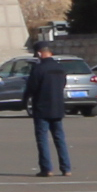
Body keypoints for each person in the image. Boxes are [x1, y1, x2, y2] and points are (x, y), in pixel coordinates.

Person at [25, 41, 76, 177]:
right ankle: (66, 168)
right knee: (60, 138)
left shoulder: (38, 69)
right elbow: (63, 84)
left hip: (41, 108)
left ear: (39, 53)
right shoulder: (60, 68)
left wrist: (25, 100)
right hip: (57, 107)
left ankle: (47, 168)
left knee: (42, 139)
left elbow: (31, 88)